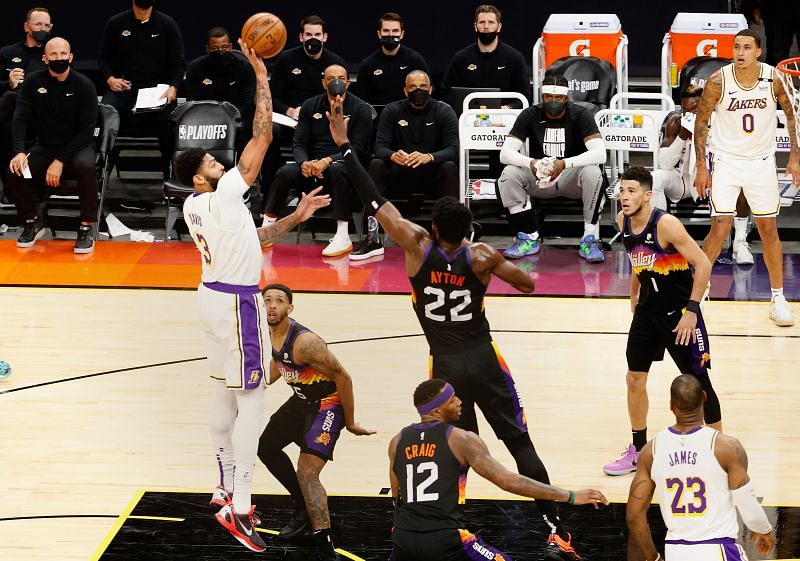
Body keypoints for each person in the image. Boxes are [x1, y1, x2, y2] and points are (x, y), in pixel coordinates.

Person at [327, 98, 589, 560]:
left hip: (444, 368)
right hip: (483, 357)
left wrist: (346, 147)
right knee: (518, 441)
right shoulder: (480, 256)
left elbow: (376, 200)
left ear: (431, 226)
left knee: (459, 449)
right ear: (468, 230)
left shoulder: (415, 245)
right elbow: (528, 285)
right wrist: (494, 263)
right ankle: (556, 529)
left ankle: (456, 527)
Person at [176, 41, 330, 553]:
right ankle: (241, 506)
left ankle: (222, 488)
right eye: (210, 162)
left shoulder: (201, 207)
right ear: (200, 177)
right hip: (238, 304)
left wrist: (296, 218)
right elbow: (262, 133)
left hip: (209, 297)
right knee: (253, 400)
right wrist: (261, 75)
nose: (220, 163)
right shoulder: (221, 194)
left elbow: (255, 240)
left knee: (223, 394)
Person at [389, 379, 608, 561]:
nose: (459, 402)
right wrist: (569, 496)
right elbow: (508, 481)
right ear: (436, 411)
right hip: (445, 540)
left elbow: (397, 499)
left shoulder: (396, 441)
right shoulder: (461, 439)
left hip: (403, 539)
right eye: (452, 400)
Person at [603, 166, 722, 477]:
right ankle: (638, 449)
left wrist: (691, 312)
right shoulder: (622, 222)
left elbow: (703, 264)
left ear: (647, 195)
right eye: (622, 190)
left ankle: (718, 451)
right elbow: (636, 262)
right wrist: (633, 296)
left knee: (700, 384)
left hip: (680, 315)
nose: (624, 196)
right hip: (648, 313)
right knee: (634, 379)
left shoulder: (666, 224)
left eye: (631, 191)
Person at [257, 284, 375, 559]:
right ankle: (303, 508)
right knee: (266, 447)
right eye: (267, 301)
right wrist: (256, 387)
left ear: (290, 308)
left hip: (327, 404)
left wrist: (351, 420)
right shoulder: (273, 332)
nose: (272, 306)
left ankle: (324, 540)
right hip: (300, 401)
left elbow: (343, 376)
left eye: (278, 301)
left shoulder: (305, 342)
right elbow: (279, 361)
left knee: (307, 471)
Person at [694, 29, 800, 326]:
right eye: (736, 47)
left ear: (758, 52)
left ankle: (778, 298)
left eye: (746, 47)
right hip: (725, 160)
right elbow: (701, 122)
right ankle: (700, 292)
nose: (740, 52)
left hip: (762, 162)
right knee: (720, 228)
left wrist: (795, 156)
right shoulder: (718, 81)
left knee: (769, 229)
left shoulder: (774, 78)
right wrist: (702, 167)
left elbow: (792, 115)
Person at [626, 374, 775, 561]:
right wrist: (763, 529)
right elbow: (746, 502)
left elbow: (634, 515)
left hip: (675, 552)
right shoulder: (727, 447)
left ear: (671, 405)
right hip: (718, 549)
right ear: (704, 397)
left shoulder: (651, 451)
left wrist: (653, 557)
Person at [263, 64, 373, 257]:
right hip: (312, 167)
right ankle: (267, 230)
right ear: (323, 83)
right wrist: (304, 163)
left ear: (348, 83)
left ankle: (342, 235)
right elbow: (299, 143)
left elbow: (359, 149)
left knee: (337, 170)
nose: (336, 82)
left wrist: (327, 160)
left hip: (344, 166)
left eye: (341, 78)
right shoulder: (310, 106)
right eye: (331, 79)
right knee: (284, 172)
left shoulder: (361, 109)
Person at [498, 75, 607, 263]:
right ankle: (528, 236)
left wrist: (565, 163)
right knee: (508, 174)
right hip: (539, 176)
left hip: (571, 177)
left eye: (558, 98)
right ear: (542, 97)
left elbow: (600, 154)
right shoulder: (530, 114)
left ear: (566, 98)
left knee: (593, 172)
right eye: (549, 97)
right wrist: (531, 163)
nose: (553, 101)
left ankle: (590, 238)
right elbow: (505, 153)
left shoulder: (581, 114)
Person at [355, 70, 459, 260]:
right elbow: (379, 147)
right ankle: (372, 237)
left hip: (432, 175)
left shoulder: (444, 111)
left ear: (430, 89)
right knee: (377, 164)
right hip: (400, 173)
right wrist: (393, 155)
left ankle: (447, 238)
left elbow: (453, 149)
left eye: (422, 87)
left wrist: (430, 156)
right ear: (405, 90)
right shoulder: (392, 111)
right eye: (412, 87)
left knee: (450, 167)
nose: (417, 90)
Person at [7, 37, 98, 254]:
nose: (59, 58)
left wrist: (60, 161)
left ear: (71, 57)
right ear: (45, 58)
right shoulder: (33, 81)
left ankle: (86, 226)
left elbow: (86, 130)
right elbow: (20, 118)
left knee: (85, 167)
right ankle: (32, 221)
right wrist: (19, 152)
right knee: (17, 172)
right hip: (45, 146)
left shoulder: (84, 85)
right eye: (54, 55)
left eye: (63, 54)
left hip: (77, 147)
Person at [653, 86, 755, 265]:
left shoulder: (724, 122)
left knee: (740, 179)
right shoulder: (676, 122)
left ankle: (740, 243)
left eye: (695, 110)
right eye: (686, 109)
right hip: (684, 180)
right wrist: (682, 136)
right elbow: (665, 163)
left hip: (717, 178)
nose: (690, 114)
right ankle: (660, 239)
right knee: (656, 178)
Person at [261, 15, 347, 213]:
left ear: (325, 37)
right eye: (308, 34)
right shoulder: (286, 59)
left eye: (317, 34)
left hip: (321, 120)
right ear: (301, 37)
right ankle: (270, 199)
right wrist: (289, 110)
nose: (313, 38)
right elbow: (272, 97)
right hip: (289, 120)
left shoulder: (335, 63)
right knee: (268, 135)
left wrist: (312, 112)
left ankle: (329, 198)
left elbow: (339, 97)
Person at [98, 0, 186, 177]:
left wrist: (174, 87)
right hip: (125, 85)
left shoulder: (168, 24)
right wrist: (110, 79)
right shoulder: (116, 23)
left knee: (168, 120)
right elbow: (103, 59)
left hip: (158, 89)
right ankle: (100, 170)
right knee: (106, 113)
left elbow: (178, 63)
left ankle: (171, 174)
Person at [441, 4, 528, 180]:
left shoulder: (514, 57)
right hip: (469, 121)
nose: (486, 26)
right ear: (475, 26)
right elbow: (446, 92)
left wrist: (507, 108)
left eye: (490, 22)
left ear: (499, 26)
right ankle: (462, 195)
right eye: (482, 22)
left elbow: (525, 96)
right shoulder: (461, 58)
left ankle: (499, 195)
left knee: (502, 148)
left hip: (502, 123)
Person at [0, 7, 51, 187]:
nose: (42, 29)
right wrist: (8, 82)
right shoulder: (7, 53)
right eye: (38, 24)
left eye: (46, 25)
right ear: (26, 27)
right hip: (14, 116)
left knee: (9, 98)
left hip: (43, 113)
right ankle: (10, 185)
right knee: (7, 127)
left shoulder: (53, 53)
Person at [184, 27, 256, 137]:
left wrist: (227, 118)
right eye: (215, 48)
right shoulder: (195, 67)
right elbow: (192, 100)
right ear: (207, 49)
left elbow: (246, 102)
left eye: (224, 47)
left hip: (237, 117)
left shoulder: (244, 67)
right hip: (205, 118)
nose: (220, 51)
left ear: (231, 47)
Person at [354, 12, 431, 106]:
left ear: (402, 34)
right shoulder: (368, 64)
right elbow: (361, 101)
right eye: (386, 31)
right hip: (378, 117)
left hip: (409, 115)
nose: (390, 34)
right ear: (379, 34)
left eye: (395, 31)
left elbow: (429, 94)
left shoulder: (415, 60)